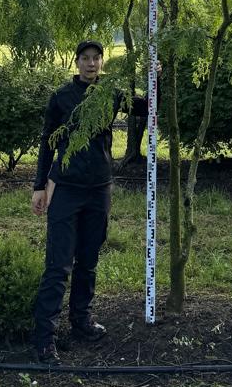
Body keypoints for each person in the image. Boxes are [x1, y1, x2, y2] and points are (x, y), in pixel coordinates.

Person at [31, 39, 153, 364]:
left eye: (96, 58)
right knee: (58, 265)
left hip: (100, 189)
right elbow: (47, 142)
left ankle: (81, 321)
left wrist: (156, 77)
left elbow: (146, 106)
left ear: (102, 62)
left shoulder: (110, 94)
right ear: (77, 62)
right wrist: (39, 185)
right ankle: (45, 337)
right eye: (85, 58)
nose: (90, 63)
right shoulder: (61, 98)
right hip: (66, 189)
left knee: (88, 260)